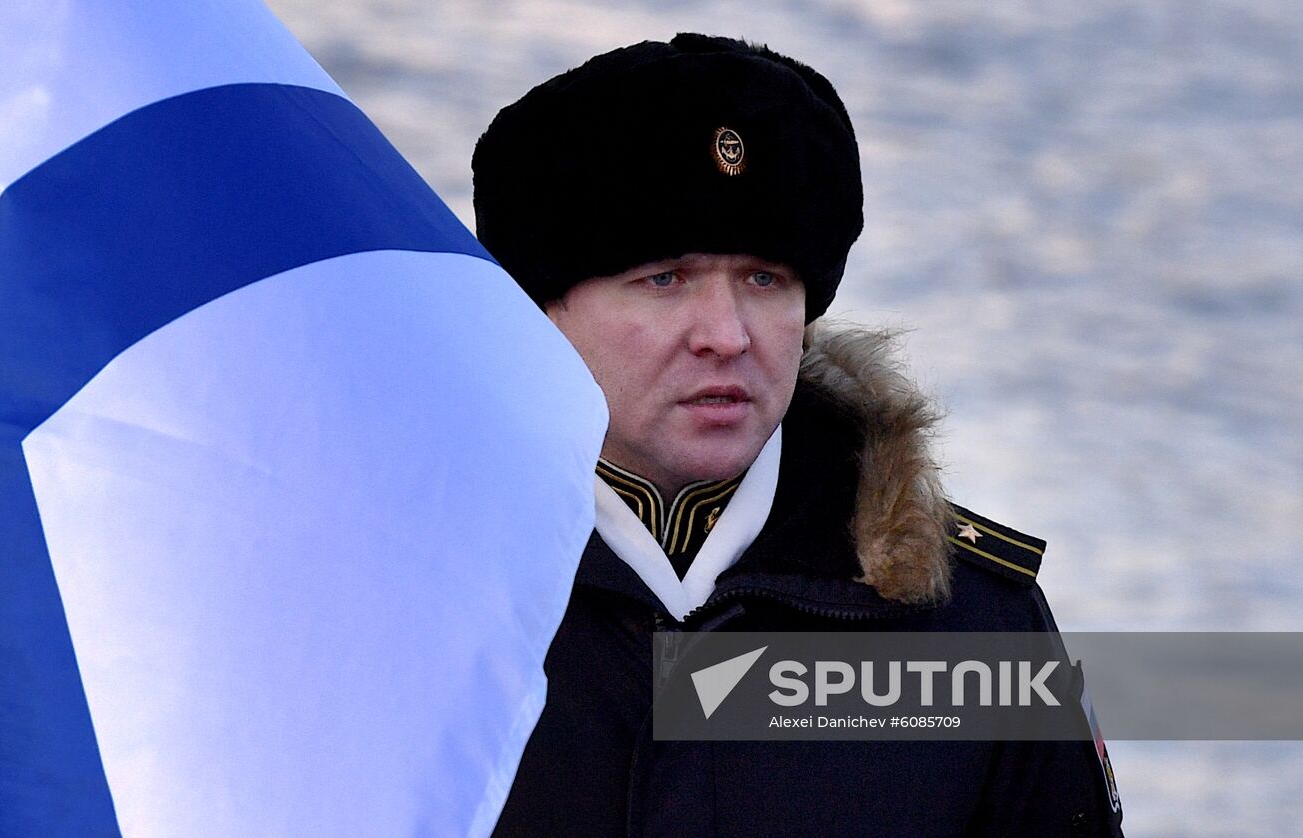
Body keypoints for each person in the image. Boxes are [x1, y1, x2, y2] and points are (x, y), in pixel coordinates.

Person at [472, 33, 1124, 837]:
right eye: (664, 279)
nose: (726, 333)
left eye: (764, 279)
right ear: (543, 312)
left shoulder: (973, 626)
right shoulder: (413, 596)